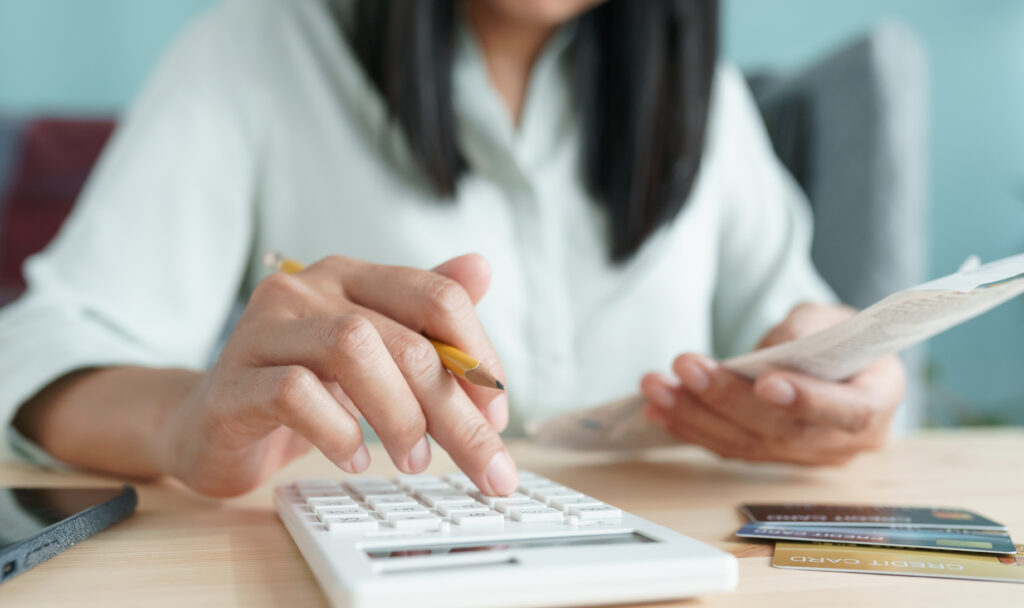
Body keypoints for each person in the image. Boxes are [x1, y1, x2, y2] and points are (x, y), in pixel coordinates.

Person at [0, 0, 905, 498]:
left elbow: (798, 320)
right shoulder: (252, 48)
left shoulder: (704, 93)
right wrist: (184, 415)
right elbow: (40, 348)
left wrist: (846, 369)